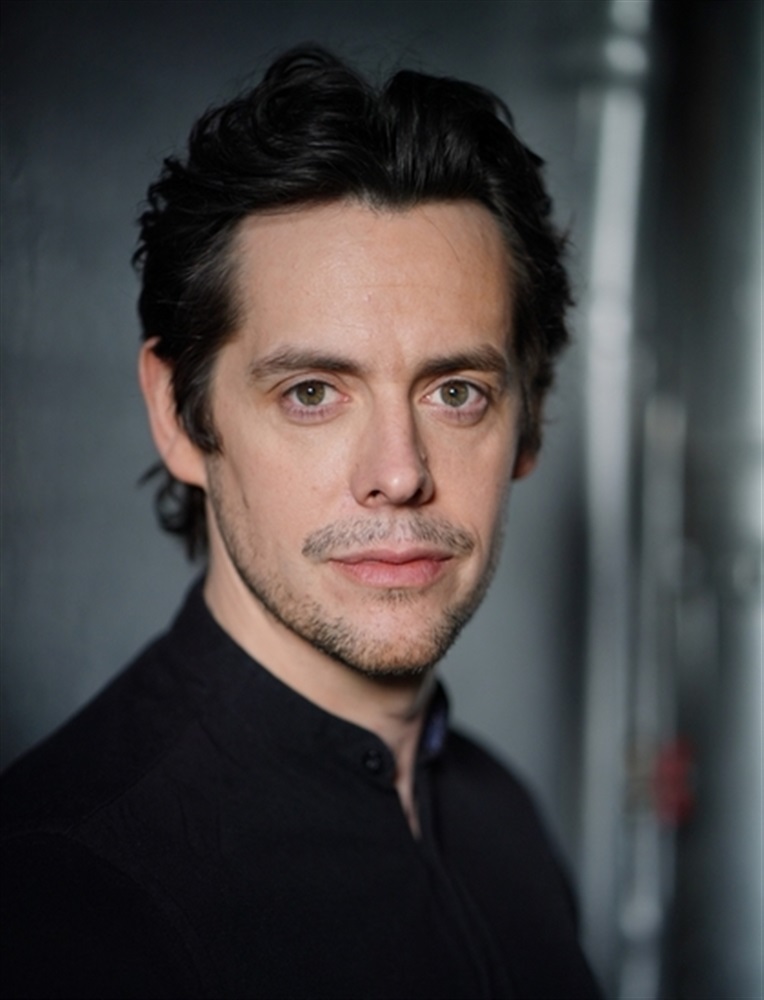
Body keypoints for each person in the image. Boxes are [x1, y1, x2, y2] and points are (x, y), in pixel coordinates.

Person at [0, 46, 601, 999]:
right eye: (312, 391)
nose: (399, 475)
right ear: (180, 416)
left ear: (529, 418)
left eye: (456, 391)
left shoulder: (504, 819)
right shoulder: (61, 895)